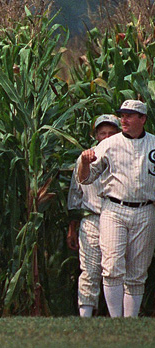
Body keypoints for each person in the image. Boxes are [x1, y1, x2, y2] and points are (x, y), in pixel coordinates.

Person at [78, 100, 155, 318]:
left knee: (138, 271)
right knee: (111, 266)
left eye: (130, 116)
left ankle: (130, 321)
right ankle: (115, 320)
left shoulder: (153, 144)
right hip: (114, 208)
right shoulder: (109, 145)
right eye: (122, 115)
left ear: (143, 119)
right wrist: (84, 162)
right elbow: (86, 178)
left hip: (145, 209)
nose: (124, 120)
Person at [67, 114, 121, 318]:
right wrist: (72, 227)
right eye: (102, 133)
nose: (106, 137)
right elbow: (75, 194)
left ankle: (118, 316)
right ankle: (86, 315)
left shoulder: (124, 156)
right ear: (96, 135)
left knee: (115, 269)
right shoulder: (84, 158)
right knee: (89, 269)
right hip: (91, 218)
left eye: (111, 133)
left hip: (117, 217)